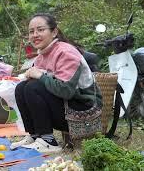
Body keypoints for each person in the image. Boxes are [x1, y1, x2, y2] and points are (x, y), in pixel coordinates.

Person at [11, 13, 102, 153]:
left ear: (54, 32)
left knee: (33, 87)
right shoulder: (43, 54)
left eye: (40, 30)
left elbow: (66, 90)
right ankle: (35, 136)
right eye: (31, 31)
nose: (35, 35)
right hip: (65, 105)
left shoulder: (66, 52)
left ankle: (48, 141)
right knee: (21, 87)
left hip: (85, 110)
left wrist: (40, 75)